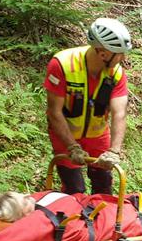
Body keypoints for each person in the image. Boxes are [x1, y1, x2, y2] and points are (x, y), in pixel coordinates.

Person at [43, 17, 132, 195]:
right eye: (120, 53)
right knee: (74, 189)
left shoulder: (116, 73)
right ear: (103, 53)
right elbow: (54, 112)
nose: (123, 58)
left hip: (98, 135)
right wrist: (72, 146)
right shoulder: (62, 64)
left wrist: (114, 151)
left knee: (103, 186)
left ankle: (99, 220)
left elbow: (119, 114)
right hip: (65, 134)